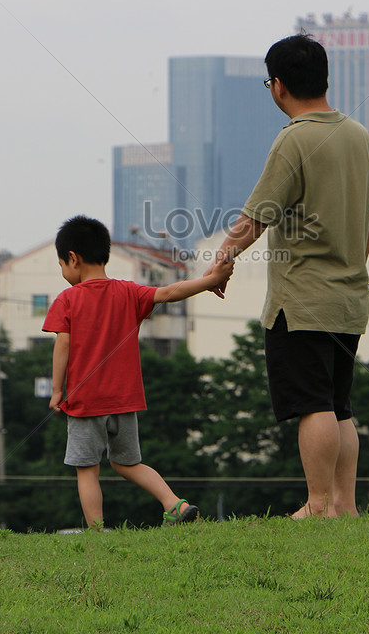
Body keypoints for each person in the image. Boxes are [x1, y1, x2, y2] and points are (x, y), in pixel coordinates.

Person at [207, 33, 369, 519]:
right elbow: (367, 227)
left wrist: (223, 257)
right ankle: (345, 506)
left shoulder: (295, 138)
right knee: (339, 405)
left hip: (301, 300)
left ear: (278, 85)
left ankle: (317, 504)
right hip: (349, 299)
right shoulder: (361, 138)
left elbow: (257, 215)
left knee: (313, 405)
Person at [44, 215, 233, 530]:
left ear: (73, 259)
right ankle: (174, 503)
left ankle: (96, 532)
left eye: (62, 264)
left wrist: (56, 390)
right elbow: (171, 291)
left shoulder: (67, 300)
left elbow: (62, 346)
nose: (64, 272)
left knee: (87, 470)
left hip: (85, 402)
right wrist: (210, 281)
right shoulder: (128, 292)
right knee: (127, 463)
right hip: (124, 401)